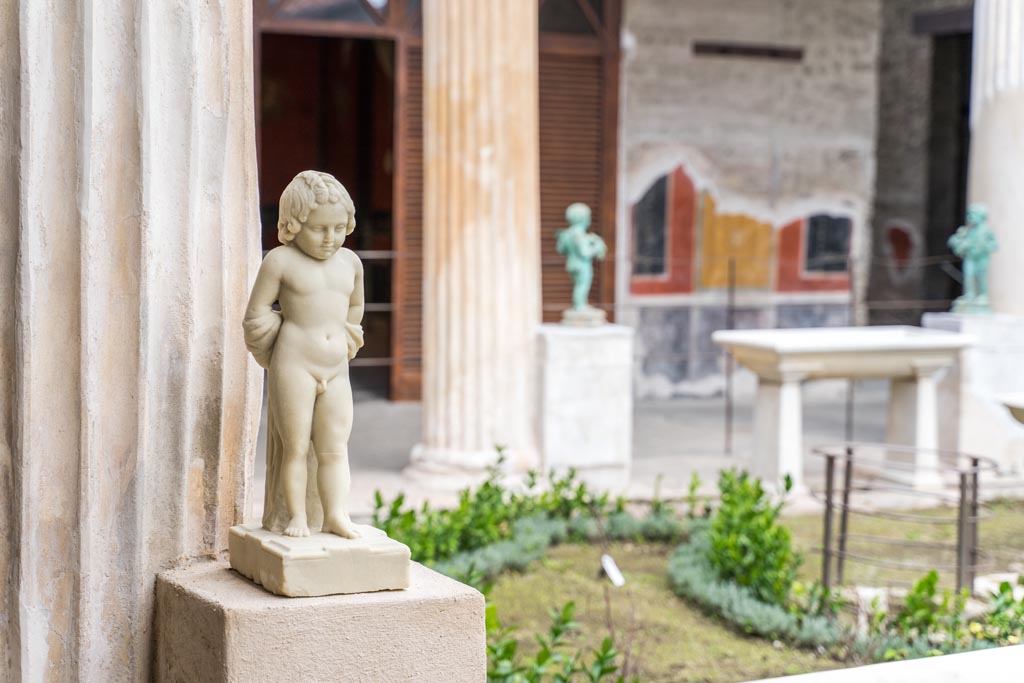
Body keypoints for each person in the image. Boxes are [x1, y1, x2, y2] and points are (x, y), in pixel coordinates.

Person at [243, 170, 365, 538]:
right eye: (319, 229)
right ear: (294, 225)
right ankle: (295, 517)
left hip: (336, 368)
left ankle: (336, 514)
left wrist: (348, 335)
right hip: (295, 364)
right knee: (294, 446)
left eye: (339, 228)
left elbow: (355, 306)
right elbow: (256, 314)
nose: (330, 238)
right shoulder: (280, 261)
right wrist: (273, 342)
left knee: (333, 447)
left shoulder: (350, 263)